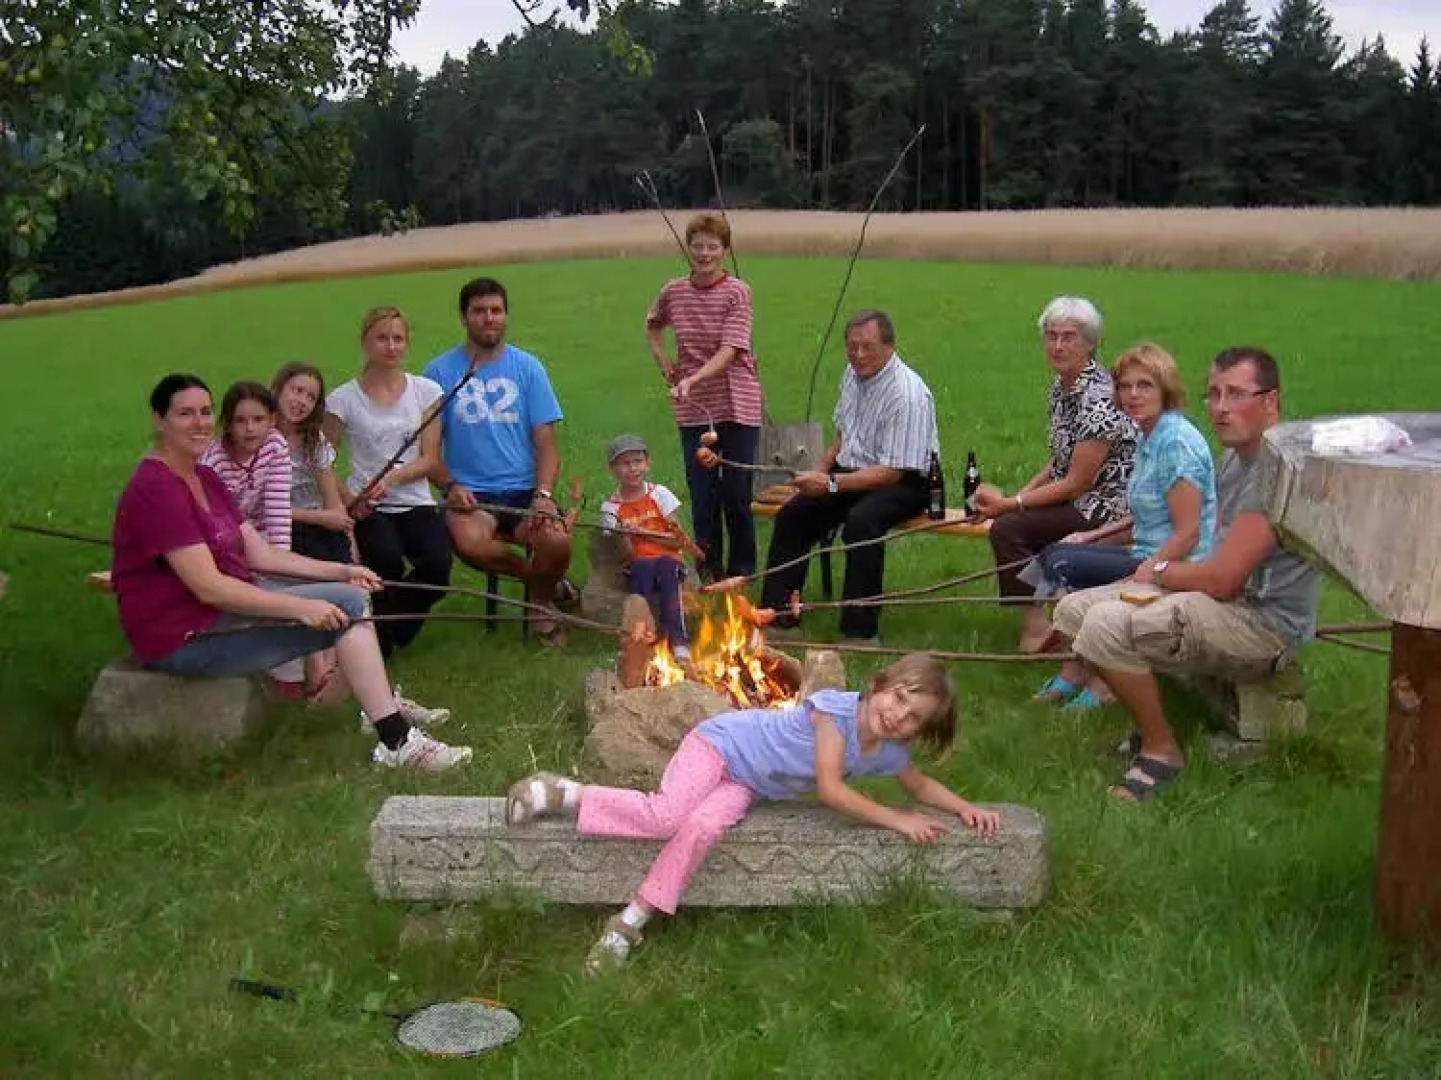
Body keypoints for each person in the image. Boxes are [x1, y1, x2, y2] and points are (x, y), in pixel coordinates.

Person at [504, 653, 1001, 975]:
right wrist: (899, 820)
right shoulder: (837, 712)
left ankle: (630, 921)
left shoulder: (886, 751)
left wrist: (966, 808)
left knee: (700, 830)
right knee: (666, 816)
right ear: (878, 685)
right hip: (720, 746)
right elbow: (829, 788)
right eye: (898, 698)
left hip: (745, 783)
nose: (897, 716)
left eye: (913, 718)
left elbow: (919, 784)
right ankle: (565, 794)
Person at [111, 374, 471, 772]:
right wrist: (297, 608)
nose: (198, 422)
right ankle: (395, 737)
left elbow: (262, 555)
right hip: (181, 636)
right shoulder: (156, 489)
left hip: (211, 617)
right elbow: (209, 588)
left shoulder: (204, 478)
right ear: (159, 420)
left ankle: (383, 716)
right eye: (184, 414)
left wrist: (343, 569)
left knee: (350, 596)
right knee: (347, 610)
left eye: (204, 412)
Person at [1051, 346, 1321, 802]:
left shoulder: (1278, 474)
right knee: (1074, 609)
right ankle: (1155, 722)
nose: (1219, 407)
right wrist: (1160, 576)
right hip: (1221, 603)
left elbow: (1221, 580)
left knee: (1106, 623)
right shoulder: (1237, 458)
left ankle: (1161, 750)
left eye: (1235, 394)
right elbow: (1213, 560)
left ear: (1270, 402)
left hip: (1263, 623)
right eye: (1213, 394)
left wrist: (1158, 572)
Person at [1032, 343, 1217, 709]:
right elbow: (1149, 511)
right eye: (1125, 386)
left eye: (1144, 385)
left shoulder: (1176, 443)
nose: (1132, 395)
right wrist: (1092, 535)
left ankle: (1100, 682)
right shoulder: (1151, 436)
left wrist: (1148, 572)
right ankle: (1077, 670)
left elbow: (1189, 531)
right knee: (1058, 557)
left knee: (1059, 563)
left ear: (1165, 389)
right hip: (1145, 551)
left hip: (1176, 565)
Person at [759, 310, 938, 644]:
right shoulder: (852, 375)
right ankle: (778, 618)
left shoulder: (907, 394)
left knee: (862, 523)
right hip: (853, 470)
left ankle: (860, 632)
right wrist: (821, 471)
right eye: (852, 347)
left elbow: (891, 472)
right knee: (794, 514)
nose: (858, 355)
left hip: (906, 480)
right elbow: (843, 434)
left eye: (867, 347)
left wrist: (830, 484)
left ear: (889, 346)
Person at [971, 297, 1137, 653]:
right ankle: (1053, 616)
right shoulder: (1061, 388)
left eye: (1069, 337)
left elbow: (1078, 482)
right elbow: (1060, 459)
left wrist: (1010, 506)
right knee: (1013, 521)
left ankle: (1039, 625)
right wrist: (1018, 497)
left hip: (1106, 507)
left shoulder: (1100, 397)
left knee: (1008, 530)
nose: (1058, 346)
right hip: (1076, 496)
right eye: (1051, 336)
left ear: (1091, 343)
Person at [425, 277, 574, 644]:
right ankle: (544, 591)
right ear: (463, 317)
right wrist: (449, 486)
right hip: (471, 495)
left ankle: (538, 600)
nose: (488, 319)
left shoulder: (528, 368)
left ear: (506, 315)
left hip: (524, 491)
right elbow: (427, 452)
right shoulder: (438, 373)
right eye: (479, 311)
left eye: (496, 310)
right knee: (471, 543)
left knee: (557, 542)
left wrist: (543, 493)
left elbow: (547, 444)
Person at [327, 306, 454, 663]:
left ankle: (390, 626)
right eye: (382, 338)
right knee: (383, 562)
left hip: (414, 498)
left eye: (398, 338)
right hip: (369, 506)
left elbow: (430, 459)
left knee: (437, 565)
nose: (391, 346)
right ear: (365, 342)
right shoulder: (342, 400)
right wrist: (352, 497)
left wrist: (393, 478)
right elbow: (323, 462)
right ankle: (378, 645)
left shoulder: (426, 391)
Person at [645, 212, 763, 581]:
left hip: (736, 403)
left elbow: (731, 349)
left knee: (737, 495)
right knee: (703, 495)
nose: (704, 253)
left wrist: (692, 378)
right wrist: (664, 360)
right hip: (694, 409)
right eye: (698, 246)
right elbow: (652, 326)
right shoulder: (674, 291)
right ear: (688, 249)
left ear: (725, 251)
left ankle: (741, 572)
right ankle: (708, 570)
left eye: (713, 246)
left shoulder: (738, 292)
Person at [599, 433, 696, 661]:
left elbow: (677, 540)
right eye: (625, 463)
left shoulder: (660, 495)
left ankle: (678, 639)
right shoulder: (610, 509)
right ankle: (640, 640)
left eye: (638, 461)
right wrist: (622, 536)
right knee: (641, 574)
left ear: (648, 462)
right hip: (638, 564)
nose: (633, 469)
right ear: (612, 469)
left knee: (666, 568)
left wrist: (644, 534)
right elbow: (626, 556)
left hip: (670, 560)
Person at [199, 382, 292, 550]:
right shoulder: (214, 462)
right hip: (222, 537)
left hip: (261, 534)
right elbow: (209, 518)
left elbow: (278, 510)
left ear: (272, 420)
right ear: (228, 425)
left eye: (258, 419)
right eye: (240, 421)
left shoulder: (275, 446)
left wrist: (281, 557)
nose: (250, 428)